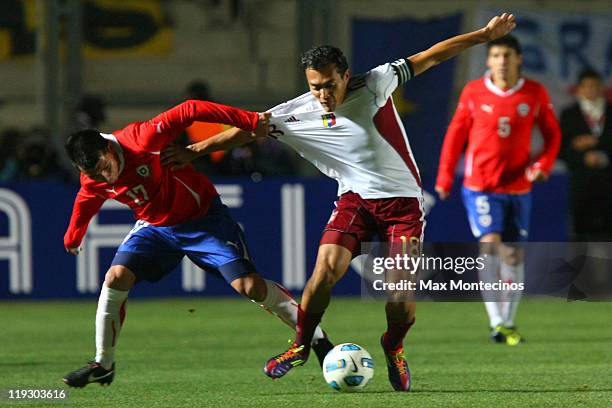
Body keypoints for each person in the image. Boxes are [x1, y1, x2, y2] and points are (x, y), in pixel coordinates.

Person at [162, 14, 517, 391]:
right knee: (323, 273)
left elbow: (431, 56)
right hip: (354, 201)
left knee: (400, 296)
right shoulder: (296, 111)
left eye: (330, 85)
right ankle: (300, 345)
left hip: (402, 207)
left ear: (346, 75)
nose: (323, 94)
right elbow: (248, 130)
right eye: (315, 87)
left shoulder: (376, 84)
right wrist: (194, 150)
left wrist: (483, 36)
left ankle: (393, 346)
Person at [61, 99, 332, 388]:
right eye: (94, 174)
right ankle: (103, 363)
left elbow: (190, 109)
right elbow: (86, 200)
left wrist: (248, 120)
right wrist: (73, 236)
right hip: (155, 228)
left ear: (107, 148)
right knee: (115, 277)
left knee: (250, 286)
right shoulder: (92, 177)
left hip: (203, 219)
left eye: (104, 167)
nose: (104, 177)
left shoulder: (142, 139)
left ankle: (317, 339)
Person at [435, 35, 561, 345]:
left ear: (518, 58)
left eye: (507, 55)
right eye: (495, 55)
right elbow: (456, 135)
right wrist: (444, 177)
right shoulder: (474, 91)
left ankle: (508, 320)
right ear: (488, 61)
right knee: (490, 245)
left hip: (518, 186)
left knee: (514, 256)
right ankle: (495, 321)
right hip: (481, 185)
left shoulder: (534, 92)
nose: (501, 61)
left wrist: (543, 165)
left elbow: (552, 135)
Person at [559, 68, 612, 241]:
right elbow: (561, 150)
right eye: (587, 86)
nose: (591, 90)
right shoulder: (569, 115)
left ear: (602, 88)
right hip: (581, 188)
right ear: (579, 89)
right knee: (581, 243)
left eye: (595, 86)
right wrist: (583, 158)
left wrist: (598, 145)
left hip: (608, 187)